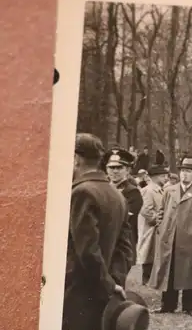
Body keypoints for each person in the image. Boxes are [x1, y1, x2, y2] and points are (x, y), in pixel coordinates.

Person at [62, 133, 134, 330]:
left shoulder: (81, 192)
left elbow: (87, 249)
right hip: (104, 292)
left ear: (76, 159)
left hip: (78, 291)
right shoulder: (117, 195)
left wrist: (108, 284)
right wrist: (115, 283)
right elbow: (126, 248)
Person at [148, 158, 192, 315]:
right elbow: (161, 211)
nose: (185, 175)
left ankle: (189, 306)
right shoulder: (169, 190)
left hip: (191, 240)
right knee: (169, 272)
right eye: (183, 171)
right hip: (170, 238)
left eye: (189, 171)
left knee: (190, 272)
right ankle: (168, 305)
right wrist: (161, 225)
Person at [102, 147, 144, 263]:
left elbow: (123, 220)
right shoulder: (102, 189)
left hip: (121, 247)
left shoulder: (132, 192)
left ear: (127, 170)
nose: (115, 171)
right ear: (106, 169)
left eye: (119, 168)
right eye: (111, 168)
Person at [137, 165, 168, 285]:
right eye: (162, 176)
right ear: (154, 177)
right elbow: (145, 210)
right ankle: (146, 279)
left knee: (155, 252)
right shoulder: (149, 190)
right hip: (150, 227)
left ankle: (152, 278)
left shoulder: (160, 190)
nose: (165, 178)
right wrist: (158, 220)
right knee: (149, 251)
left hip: (158, 227)